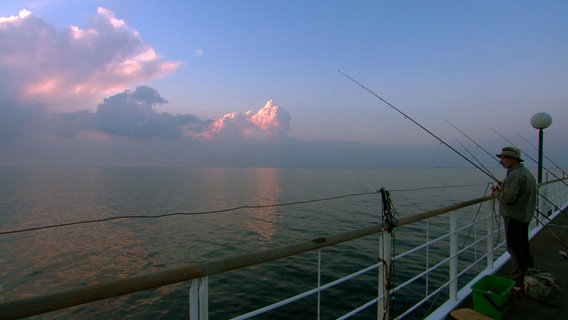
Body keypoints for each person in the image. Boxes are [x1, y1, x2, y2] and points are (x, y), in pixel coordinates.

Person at [492, 146, 537, 281]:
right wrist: (504, 185)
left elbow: (508, 198)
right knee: (523, 247)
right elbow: (518, 191)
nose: (501, 161)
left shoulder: (515, 175)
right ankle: (529, 273)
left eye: (504, 158)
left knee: (514, 248)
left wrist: (496, 193)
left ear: (514, 159)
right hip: (524, 216)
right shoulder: (524, 172)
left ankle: (517, 280)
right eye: (501, 158)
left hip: (514, 218)